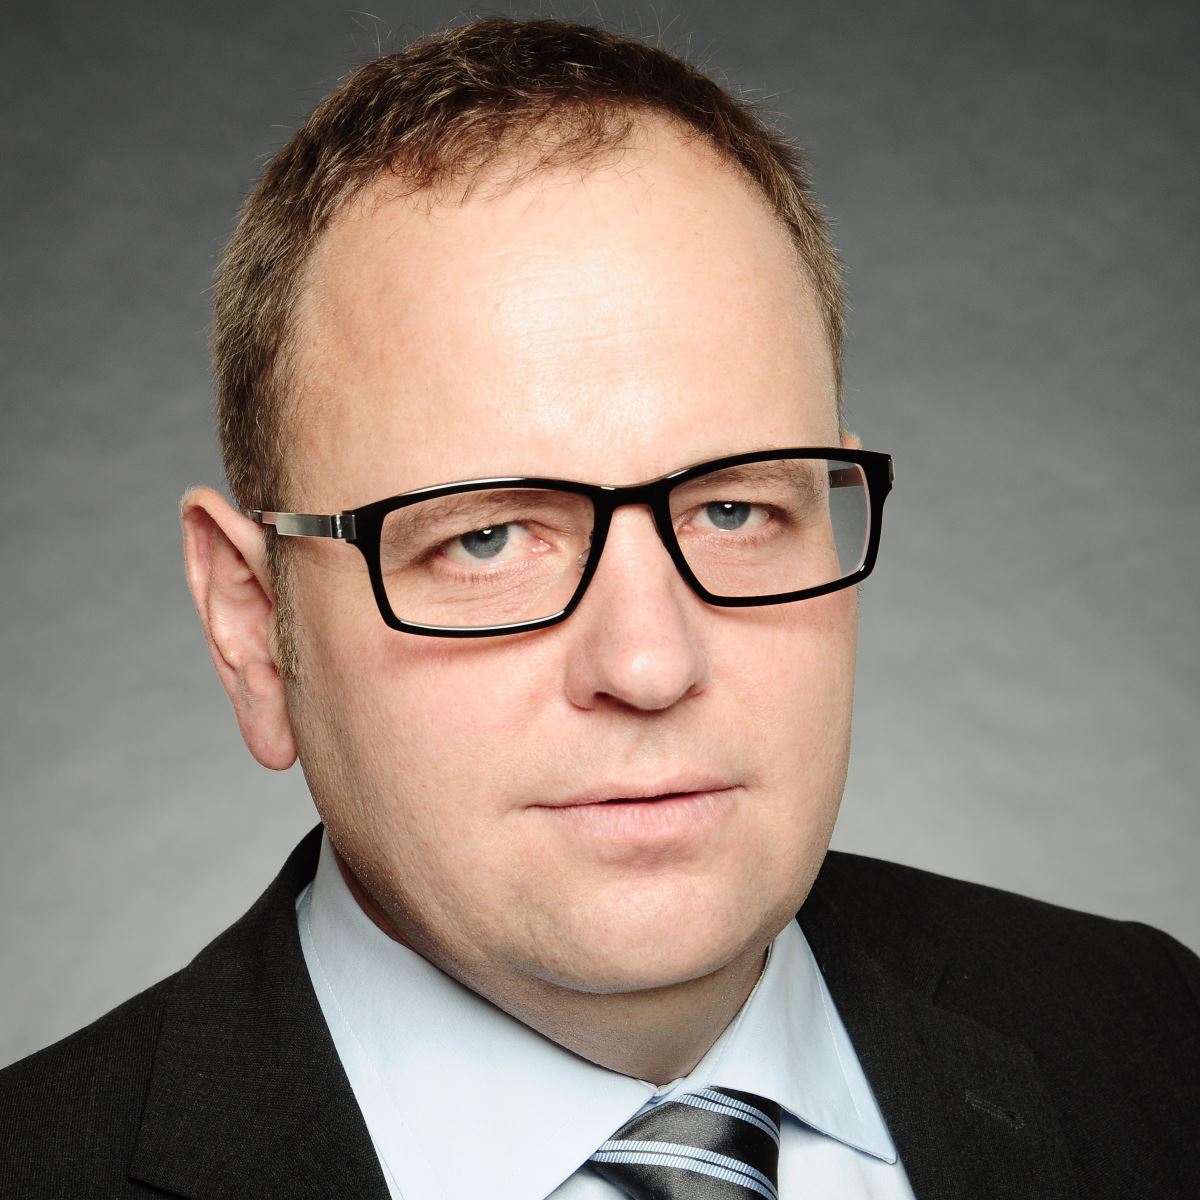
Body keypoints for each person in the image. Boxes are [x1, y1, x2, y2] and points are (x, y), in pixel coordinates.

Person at [2, 14, 1196, 1199]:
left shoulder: (1153, 1040)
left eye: (734, 509)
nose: (649, 663)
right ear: (256, 629)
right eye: (485, 537)